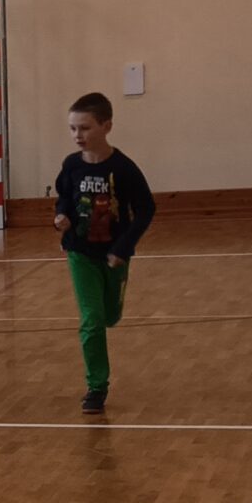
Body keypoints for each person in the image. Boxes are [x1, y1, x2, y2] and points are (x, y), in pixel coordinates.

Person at [52, 92, 156, 413]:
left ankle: (111, 308)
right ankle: (96, 387)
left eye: (85, 128)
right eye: (73, 128)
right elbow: (64, 197)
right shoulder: (71, 165)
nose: (77, 135)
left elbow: (146, 208)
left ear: (106, 126)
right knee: (92, 320)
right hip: (80, 253)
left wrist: (123, 247)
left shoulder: (123, 168)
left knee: (110, 315)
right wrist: (61, 216)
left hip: (114, 255)